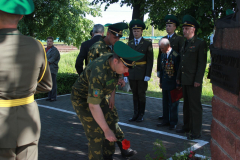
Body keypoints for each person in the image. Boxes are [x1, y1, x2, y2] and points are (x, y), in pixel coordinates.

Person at [71, 41, 142, 160]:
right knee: (97, 132)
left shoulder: (115, 64)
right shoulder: (99, 71)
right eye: (125, 67)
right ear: (116, 61)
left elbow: (112, 79)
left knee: (112, 123)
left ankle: (108, 156)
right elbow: (93, 105)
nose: (126, 71)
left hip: (99, 96)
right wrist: (105, 130)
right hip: (82, 98)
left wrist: (112, 97)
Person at [0, 0, 52, 159]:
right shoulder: (37, 46)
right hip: (29, 124)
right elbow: (46, 84)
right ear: (22, 16)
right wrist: (25, 90)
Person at [176, 15, 207, 140]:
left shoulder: (200, 43)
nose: (184, 30)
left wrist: (198, 80)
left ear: (193, 29)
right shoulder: (185, 43)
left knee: (195, 106)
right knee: (186, 105)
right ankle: (187, 126)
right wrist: (178, 77)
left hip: (194, 80)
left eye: (187, 28)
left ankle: (196, 131)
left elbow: (202, 64)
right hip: (185, 79)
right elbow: (182, 61)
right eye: (183, 28)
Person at [157, 14, 184, 120]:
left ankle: (173, 120)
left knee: (173, 98)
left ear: (175, 27)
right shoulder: (163, 39)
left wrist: (179, 75)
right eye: (167, 25)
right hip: (165, 72)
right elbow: (160, 56)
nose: (168, 27)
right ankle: (165, 117)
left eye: (170, 25)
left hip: (174, 72)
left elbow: (180, 58)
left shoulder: (179, 39)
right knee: (165, 98)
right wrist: (159, 70)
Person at [127, 19, 154, 122]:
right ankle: (135, 113)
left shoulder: (147, 43)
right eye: (134, 31)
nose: (136, 32)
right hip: (132, 72)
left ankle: (141, 114)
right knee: (134, 93)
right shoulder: (129, 44)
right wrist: (126, 74)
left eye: (138, 31)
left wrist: (148, 74)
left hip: (142, 73)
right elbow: (127, 60)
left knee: (141, 94)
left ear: (142, 31)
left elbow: (150, 60)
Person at [156, 38, 180, 130]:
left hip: (173, 83)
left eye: (162, 48)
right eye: (160, 48)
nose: (161, 50)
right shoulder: (162, 55)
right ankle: (165, 120)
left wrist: (178, 83)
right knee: (165, 103)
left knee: (173, 104)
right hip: (165, 83)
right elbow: (162, 70)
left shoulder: (175, 55)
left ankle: (173, 122)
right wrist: (161, 82)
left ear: (167, 46)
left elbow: (178, 70)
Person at [45, 36, 60, 102]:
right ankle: (49, 96)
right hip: (46, 69)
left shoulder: (55, 50)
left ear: (53, 42)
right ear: (46, 42)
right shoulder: (45, 49)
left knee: (53, 83)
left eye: (50, 41)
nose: (49, 42)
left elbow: (52, 60)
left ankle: (53, 97)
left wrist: (44, 63)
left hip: (52, 69)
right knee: (48, 83)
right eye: (48, 41)